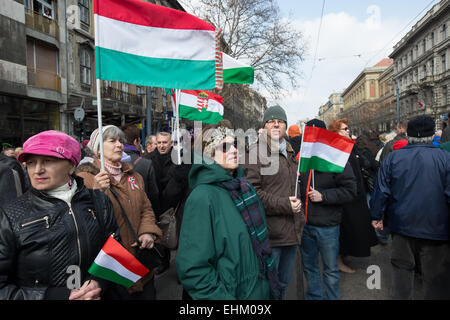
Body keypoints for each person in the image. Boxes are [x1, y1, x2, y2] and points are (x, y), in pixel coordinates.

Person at [0, 130, 118, 300]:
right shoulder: (11, 214)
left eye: (48, 161)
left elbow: (114, 250)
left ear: (71, 166)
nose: (38, 170)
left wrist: (99, 282)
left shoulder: (99, 201)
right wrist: (53, 296)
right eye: (31, 163)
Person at [176, 120, 281, 300]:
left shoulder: (245, 187)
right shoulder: (202, 197)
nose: (234, 150)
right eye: (225, 147)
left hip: (260, 289)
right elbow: (194, 270)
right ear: (208, 154)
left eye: (234, 144)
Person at [76, 125, 162, 300]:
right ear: (98, 149)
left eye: (120, 141)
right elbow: (81, 220)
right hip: (112, 270)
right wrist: (95, 191)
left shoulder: (133, 176)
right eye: (112, 141)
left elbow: (146, 208)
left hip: (140, 265)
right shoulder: (86, 179)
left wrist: (147, 231)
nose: (119, 145)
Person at [370, 115, 450, 300]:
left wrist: (377, 215)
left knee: (401, 276)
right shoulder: (445, 158)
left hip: (401, 227)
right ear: (432, 135)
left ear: (408, 134)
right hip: (436, 229)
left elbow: (381, 190)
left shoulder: (394, 158)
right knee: (436, 278)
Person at [242, 105, 305, 299]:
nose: (276, 124)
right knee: (269, 286)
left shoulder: (291, 151)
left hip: (292, 232)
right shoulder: (255, 152)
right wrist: (285, 204)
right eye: (271, 121)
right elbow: (252, 193)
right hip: (270, 234)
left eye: (280, 121)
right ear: (265, 126)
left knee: (284, 284)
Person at [299, 119, 357, 300]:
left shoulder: (336, 158)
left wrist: (323, 196)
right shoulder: (303, 159)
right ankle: (314, 297)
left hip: (328, 226)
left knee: (331, 270)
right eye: (309, 133)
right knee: (310, 268)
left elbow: (350, 191)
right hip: (306, 225)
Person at [328, 119, 378, 274]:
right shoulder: (335, 150)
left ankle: (345, 254)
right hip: (346, 197)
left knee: (355, 228)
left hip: (356, 194)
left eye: (348, 128)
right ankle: (338, 260)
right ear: (336, 133)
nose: (348, 131)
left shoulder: (349, 147)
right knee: (345, 229)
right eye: (345, 129)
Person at [121, 124, 160, 215]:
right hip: (143, 214)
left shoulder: (112, 162)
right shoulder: (146, 164)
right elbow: (154, 194)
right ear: (136, 141)